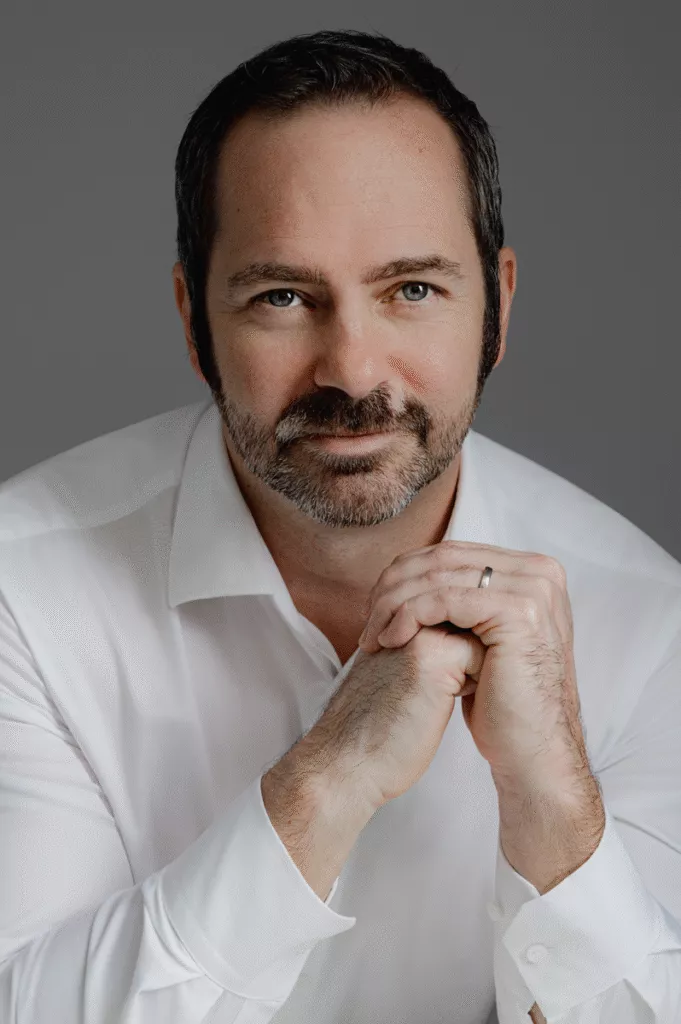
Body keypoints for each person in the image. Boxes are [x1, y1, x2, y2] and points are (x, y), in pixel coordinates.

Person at [0, 27, 679, 1024]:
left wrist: (558, 820)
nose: (353, 372)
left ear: (497, 304)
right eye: (282, 296)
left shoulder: (654, 627)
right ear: (194, 321)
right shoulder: (23, 592)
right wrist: (324, 783)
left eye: (413, 290)